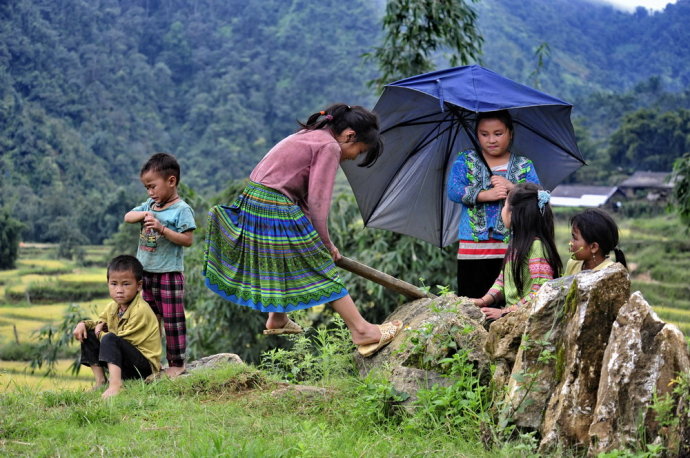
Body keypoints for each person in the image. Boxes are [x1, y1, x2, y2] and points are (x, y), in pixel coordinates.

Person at [203, 103, 402, 357]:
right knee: (319, 264)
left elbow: (304, 201)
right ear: (349, 135)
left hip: (255, 201)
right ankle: (362, 330)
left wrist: (322, 242)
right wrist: (325, 246)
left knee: (284, 259)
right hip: (273, 205)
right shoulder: (329, 146)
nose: (352, 157)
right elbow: (318, 204)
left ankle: (277, 317)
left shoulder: (308, 135)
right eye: (358, 150)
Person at [447, 110, 541, 300]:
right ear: (477, 135)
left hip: (513, 245)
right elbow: (453, 190)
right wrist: (484, 195)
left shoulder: (524, 165)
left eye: (498, 133)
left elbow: (539, 197)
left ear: (510, 133)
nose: (491, 140)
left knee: (509, 296)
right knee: (471, 299)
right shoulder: (465, 160)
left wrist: (512, 188)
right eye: (484, 134)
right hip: (472, 248)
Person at [124, 153, 196, 377]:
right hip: (146, 274)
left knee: (172, 321)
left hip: (168, 274)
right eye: (147, 188)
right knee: (148, 320)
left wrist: (162, 228)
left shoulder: (181, 209)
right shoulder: (150, 205)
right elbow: (128, 216)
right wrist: (146, 212)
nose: (150, 192)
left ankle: (176, 364)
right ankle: (150, 362)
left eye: (153, 186)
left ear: (171, 181)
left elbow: (187, 240)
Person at [73, 255, 162, 399]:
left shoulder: (140, 310)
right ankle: (101, 381)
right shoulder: (113, 307)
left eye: (126, 284)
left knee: (109, 339)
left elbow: (119, 339)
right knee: (88, 334)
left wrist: (101, 333)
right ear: (108, 283)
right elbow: (99, 323)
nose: (119, 290)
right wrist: (82, 324)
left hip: (143, 367)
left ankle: (115, 385)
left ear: (139, 286)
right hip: (125, 362)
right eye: (114, 284)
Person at [471, 183, 562, 320]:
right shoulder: (516, 245)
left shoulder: (537, 247)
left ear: (514, 214)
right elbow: (503, 280)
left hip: (527, 321)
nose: (502, 210)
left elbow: (542, 290)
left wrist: (505, 312)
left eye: (505, 206)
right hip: (513, 316)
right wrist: (484, 300)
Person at [565, 208, 628, 276]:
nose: (570, 242)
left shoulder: (609, 273)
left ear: (594, 247)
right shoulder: (573, 264)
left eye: (574, 238)